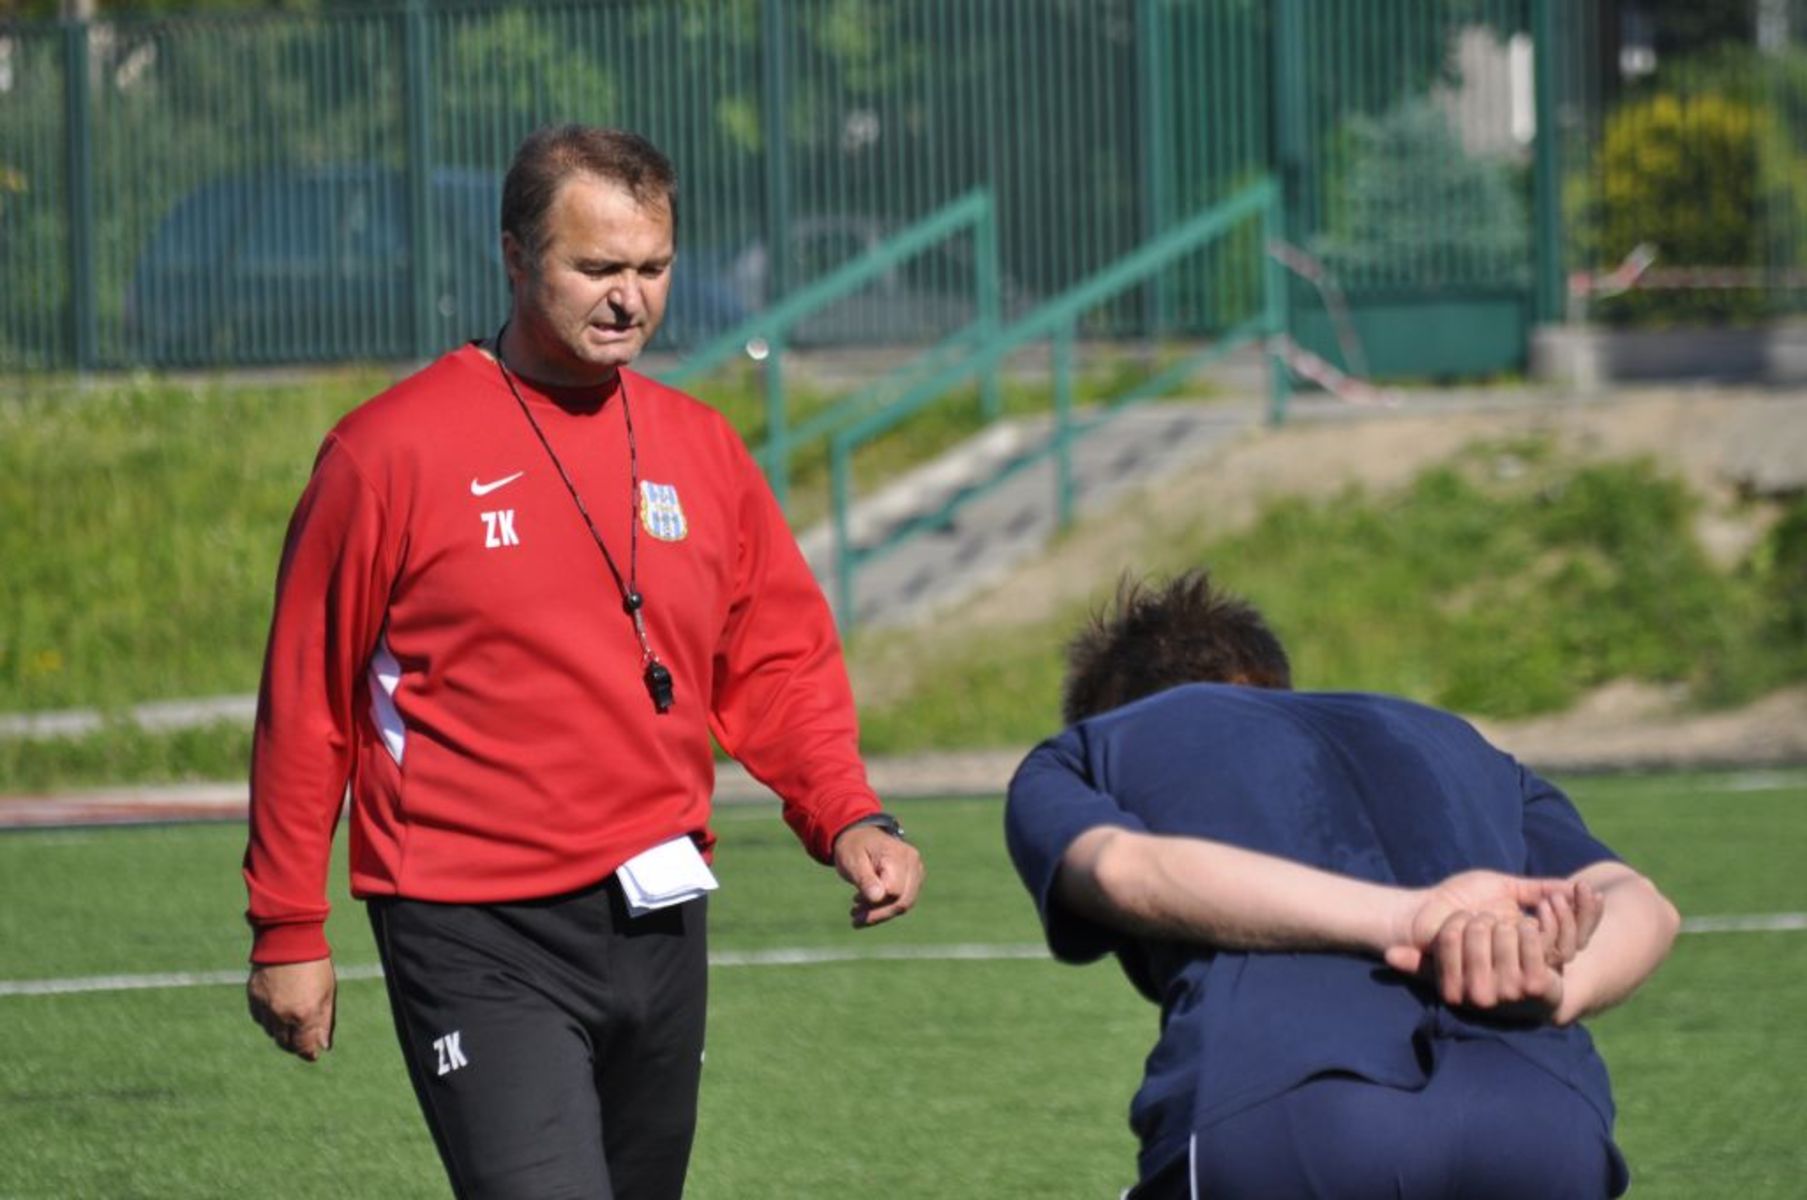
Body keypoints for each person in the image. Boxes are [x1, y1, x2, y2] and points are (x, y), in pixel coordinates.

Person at [242, 124, 923, 1199]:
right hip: (471, 925)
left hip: (659, 917)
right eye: (596, 268)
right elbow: (307, 701)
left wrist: (845, 813)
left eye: (652, 269)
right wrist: (288, 923)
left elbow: (775, 661)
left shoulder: (700, 446)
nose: (630, 299)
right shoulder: (387, 452)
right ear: (515, 258)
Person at [1004, 570, 1678, 1200]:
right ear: (1270, 682)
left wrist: (1406, 917)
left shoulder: (1089, 748)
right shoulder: (1460, 741)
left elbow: (1121, 870)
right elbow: (1641, 903)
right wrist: (1561, 991)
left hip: (1287, 1108)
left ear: (1102, 706)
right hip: (1544, 1119)